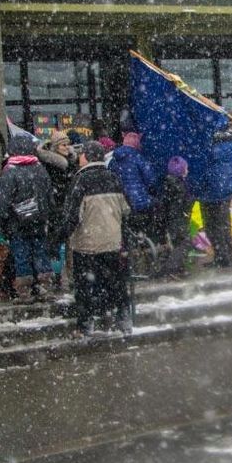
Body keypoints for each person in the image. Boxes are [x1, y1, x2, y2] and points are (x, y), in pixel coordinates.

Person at [60, 141, 131, 335]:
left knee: (85, 288)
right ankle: (122, 319)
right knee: (116, 283)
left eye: (82, 153)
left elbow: (73, 216)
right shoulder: (114, 178)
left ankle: (86, 324)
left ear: (88, 157)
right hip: (112, 242)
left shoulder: (81, 180)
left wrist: (59, 236)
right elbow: (126, 210)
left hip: (87, 245)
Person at [0, 135, 54, 299]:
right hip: (39, 221)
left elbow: (2, 202)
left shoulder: (10, 171)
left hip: (17, 224)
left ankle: (24, 291)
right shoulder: (40, 169)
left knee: (21, 256)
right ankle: (45, 286)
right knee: (40, 253)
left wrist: (1, 222)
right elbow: (49, 197)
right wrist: (46, 215)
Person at [36, 129, 78, 288]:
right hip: (55, 209)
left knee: (70, 245)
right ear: (55, 147)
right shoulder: (48, 165)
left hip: (68, 208)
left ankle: (71, 277)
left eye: (68, 144)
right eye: (63, 145)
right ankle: (57, 277)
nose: (67, 147)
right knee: (55, 245)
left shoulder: (72, 162)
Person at [109, 131, 161, 240]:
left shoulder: (113, 160)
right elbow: (151, 180)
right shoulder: (139, 158)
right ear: (137, 144)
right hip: (139, 201)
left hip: (121, 203)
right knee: (158, 207)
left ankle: (129, 241)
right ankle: (153, 238)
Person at [201, 126, 232, 269]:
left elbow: (202, 163)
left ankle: (222, 257)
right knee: (223, 223)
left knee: (212, 225)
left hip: (211, 189)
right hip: (226, 186)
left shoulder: (209, 143)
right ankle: (227, 255)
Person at [159, 156, 193, 278]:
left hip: (172, 219)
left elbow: (166, 204)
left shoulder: (169, 183)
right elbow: (182, 204)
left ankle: (179, 269)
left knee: (178, 243)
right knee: (185, 243)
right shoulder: (179, 185)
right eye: (186, 168)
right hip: (178, 219)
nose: (187, 171)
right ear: (181, 170)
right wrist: (185, 212)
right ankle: (172, 268)